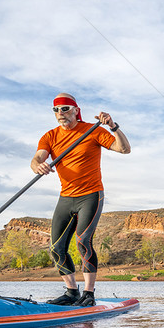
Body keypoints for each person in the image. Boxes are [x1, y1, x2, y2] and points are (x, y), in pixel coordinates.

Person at [31, 93, 131, 306]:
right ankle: (71, 292)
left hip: (90, 195)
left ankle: (88, 294)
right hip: (66, 197)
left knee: (83, 241)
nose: (60, 113)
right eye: (56, 110)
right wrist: (37, 165)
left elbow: (124, 149)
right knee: (56, 247)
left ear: (76, 110)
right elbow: (38, 157)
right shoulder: (50, 136)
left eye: (65, 109)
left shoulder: (92, 131)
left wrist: (113, 126)